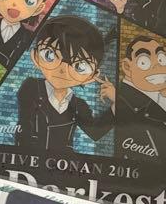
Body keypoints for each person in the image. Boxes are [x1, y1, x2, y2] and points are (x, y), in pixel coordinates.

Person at [15, 15, 115, 153]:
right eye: (50, 55)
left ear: (91, 77)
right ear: (36, 56)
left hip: (61, 161)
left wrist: (117, 102)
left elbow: (95, 133)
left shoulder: (79, 105)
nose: (62, 70)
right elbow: (25, 126)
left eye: (79, 66)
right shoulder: (31, 88)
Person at [114, 35, 166, 161]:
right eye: (144, 62)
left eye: (161, 59)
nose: (157, 66)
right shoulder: (123, 99)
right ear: (127, 67)